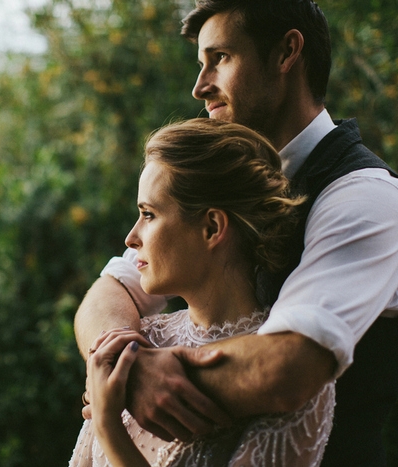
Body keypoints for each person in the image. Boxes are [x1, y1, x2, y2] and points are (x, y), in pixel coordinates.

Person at [74, 1, 398, 465]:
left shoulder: (365, 197)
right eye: (200, 64)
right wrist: (129, 365)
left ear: (287, 52)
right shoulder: (222, 176)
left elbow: (290, 366)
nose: (199, 86)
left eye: (220, 58)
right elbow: (111, 293)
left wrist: (124, 384)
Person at [70, 118, 335, 466]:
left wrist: (108, 427)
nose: (131, 238)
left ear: (212, 227)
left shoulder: (289, 385)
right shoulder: (138, 344)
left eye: (148, 215)